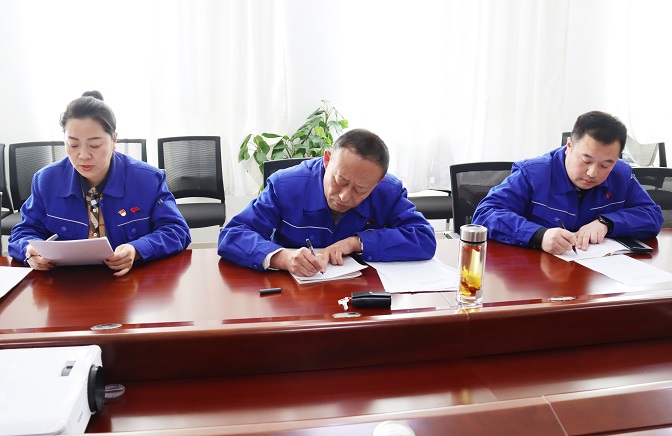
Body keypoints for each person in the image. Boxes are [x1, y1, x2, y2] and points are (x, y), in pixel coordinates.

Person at [8, 91, 191, 276]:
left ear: (114, 140)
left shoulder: (148, 179)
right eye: (73, 145)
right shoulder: (46, 181)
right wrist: (29, 251)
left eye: (94, 145)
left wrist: (137, 249)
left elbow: (176, 230)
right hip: (65, 282)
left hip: (129, 281)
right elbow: (23, 232)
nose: (83, 155)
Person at [218, 128, 436, 276]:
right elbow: (233, 234)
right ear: (327, 160)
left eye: (361, 189)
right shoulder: (285, 185)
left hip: (360, 295)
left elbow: (424, 238)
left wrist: (357, 242)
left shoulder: (389, 191)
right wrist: (283, 258)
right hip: (291, 294)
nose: (345, 196)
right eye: (340, 180)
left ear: (378, 182)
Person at [472, 110, 663, 254]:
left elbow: (652, 215)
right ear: (569, 146)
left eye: (606, 165)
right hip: (536, 275)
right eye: (585, 160)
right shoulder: (533, 173)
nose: (592, 173)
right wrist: (538, 235)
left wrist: (607, 223)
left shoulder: (621, 174)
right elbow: (485, 214)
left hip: (595, 276)